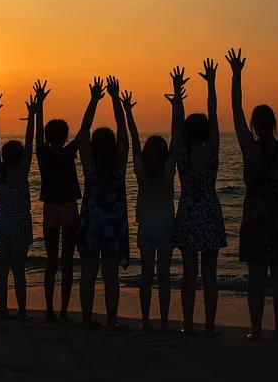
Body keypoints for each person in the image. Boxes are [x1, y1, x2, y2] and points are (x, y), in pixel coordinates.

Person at [232, 45, 278, 340]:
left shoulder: (249, 148)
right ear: (273, 124)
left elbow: (236, 110)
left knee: (257, 278)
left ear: (253, 125)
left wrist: (236, 75)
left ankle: (257, 330)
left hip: (256, 215)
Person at [170, 62, 228, 337]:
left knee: (189, 273)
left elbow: (176, 127)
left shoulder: (181, 153)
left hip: (189, 212)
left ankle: (189, 325)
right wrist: (211, 83)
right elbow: (214, 115)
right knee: (210, 274)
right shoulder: (212, 153)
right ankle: (209, 326)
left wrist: (178, 93)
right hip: (209, 212)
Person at [77, 76, 130, 330]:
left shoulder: (90, 164)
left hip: (90, 222)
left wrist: (93, 100)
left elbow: (82, 132)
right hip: (113, 224)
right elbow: (123, 130)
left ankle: (87, 320)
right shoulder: (119, 163)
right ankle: (110, 323)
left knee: (88, 274)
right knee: (111, 277)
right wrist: (115, 99)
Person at [123, 86, 176, 332]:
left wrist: (128, 113)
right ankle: (164, 321)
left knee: (146, 275)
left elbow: (134, 138)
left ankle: (145, 320)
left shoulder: (142, 171)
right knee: (163, 276)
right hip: (165, 227)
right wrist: (176, 107)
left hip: (146, 228)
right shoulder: (167, 171)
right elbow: (177, 138)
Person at [35, 81, 81, 322]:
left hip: (50, 208)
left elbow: (37, 133)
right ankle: (62, 310)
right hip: (69, 208)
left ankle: (51, 310)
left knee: (51, 261)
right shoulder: (67, 153)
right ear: (64, 137)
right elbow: (84, 129)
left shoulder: (42, 153)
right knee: (66, 261)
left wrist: (39, 105)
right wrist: (93, 101)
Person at [0, 93, 36, 320]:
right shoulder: (22, 173)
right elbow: (30, 143)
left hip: (2, 222)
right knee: (18, 271)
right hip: (19, 222)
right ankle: (21, 311)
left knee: (2, 270)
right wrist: (32, 115)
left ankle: (2, 310)